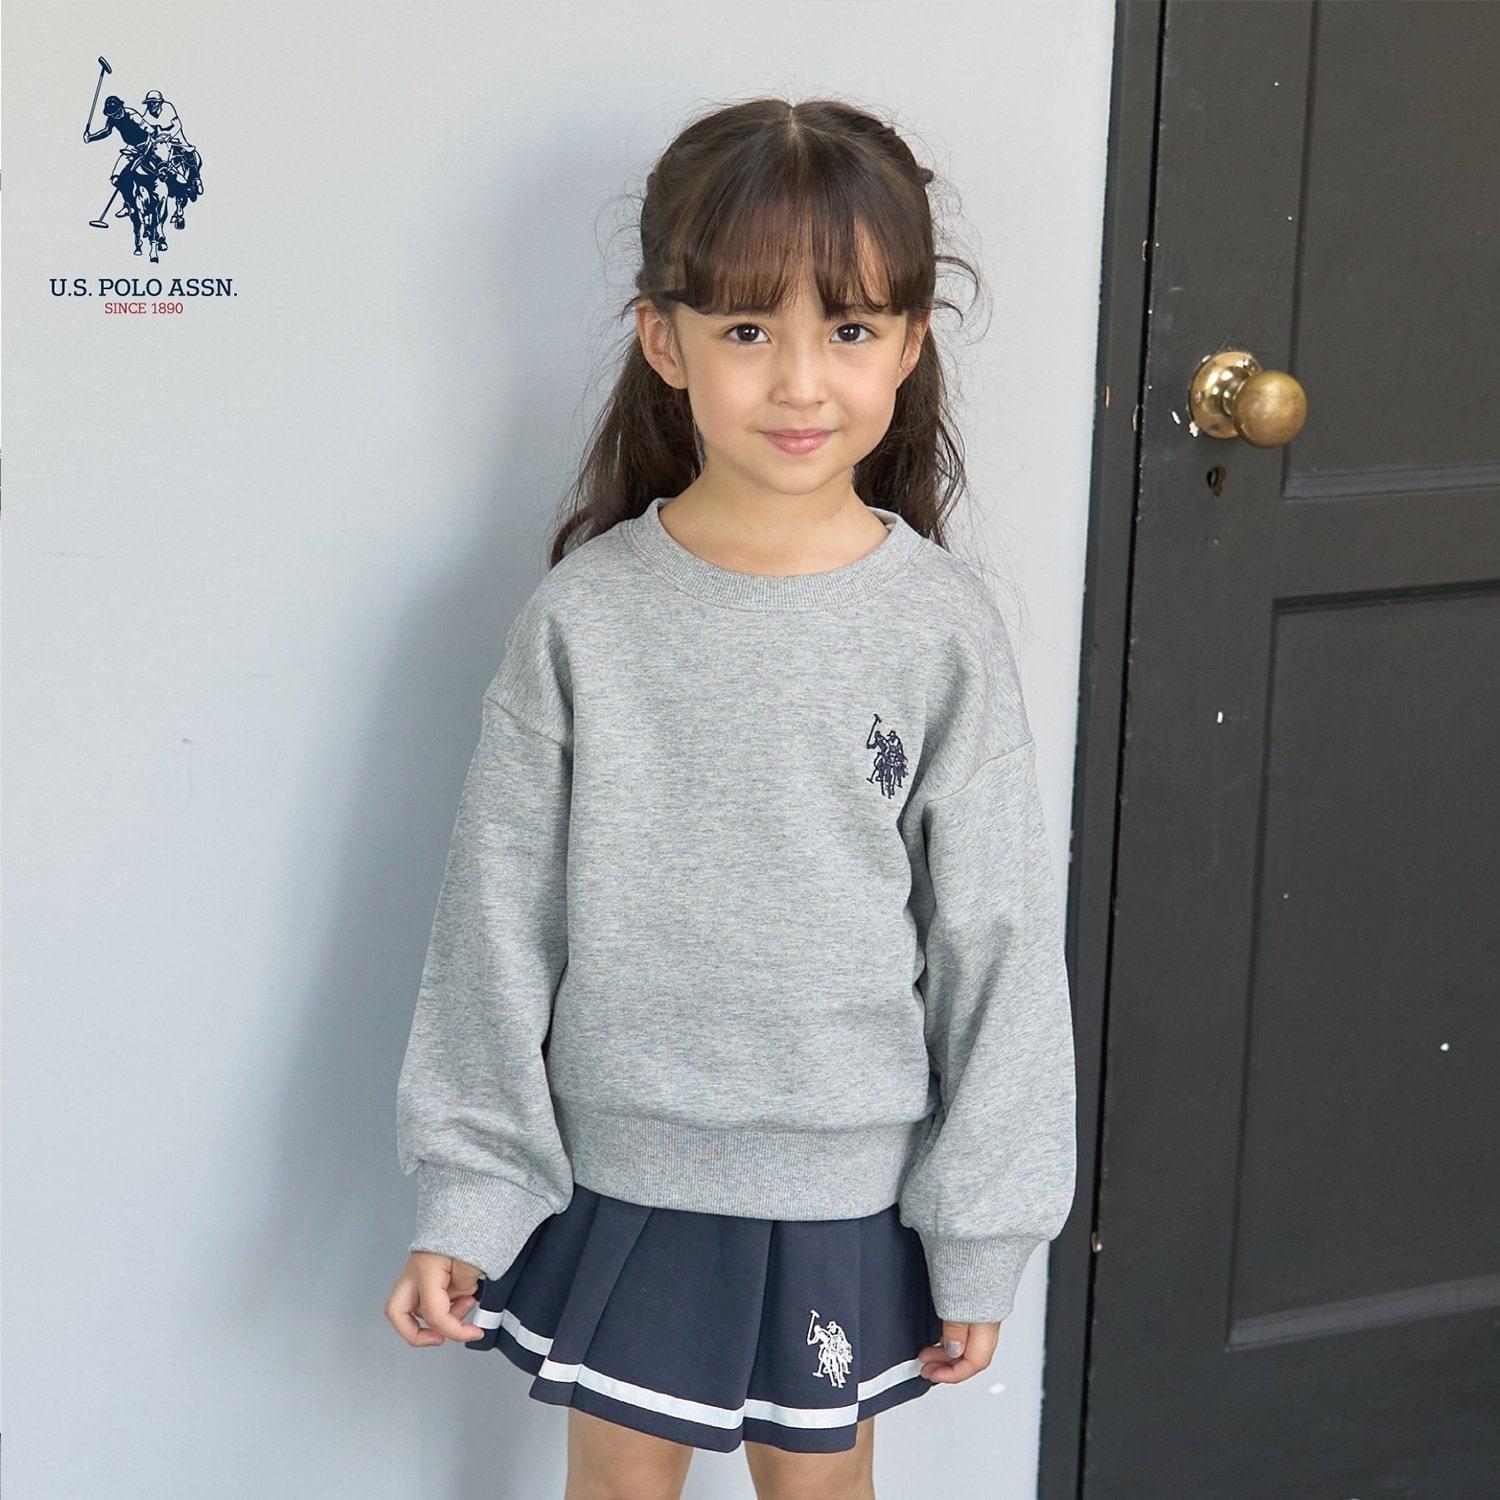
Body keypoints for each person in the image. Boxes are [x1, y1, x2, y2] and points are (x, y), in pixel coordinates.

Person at [385, 96, 1078, 1498]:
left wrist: (981, 1230)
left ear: (911, 344)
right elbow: (495, 924)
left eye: (852, 329)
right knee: (617, 1486)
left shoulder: (939, 628)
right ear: (666, 341)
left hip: (845, 1187)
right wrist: (473, 1187)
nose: (802, 383)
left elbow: (996, 942)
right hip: (623, 1173)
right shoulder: (584, 620)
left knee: (819, 1487)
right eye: (750, 330)